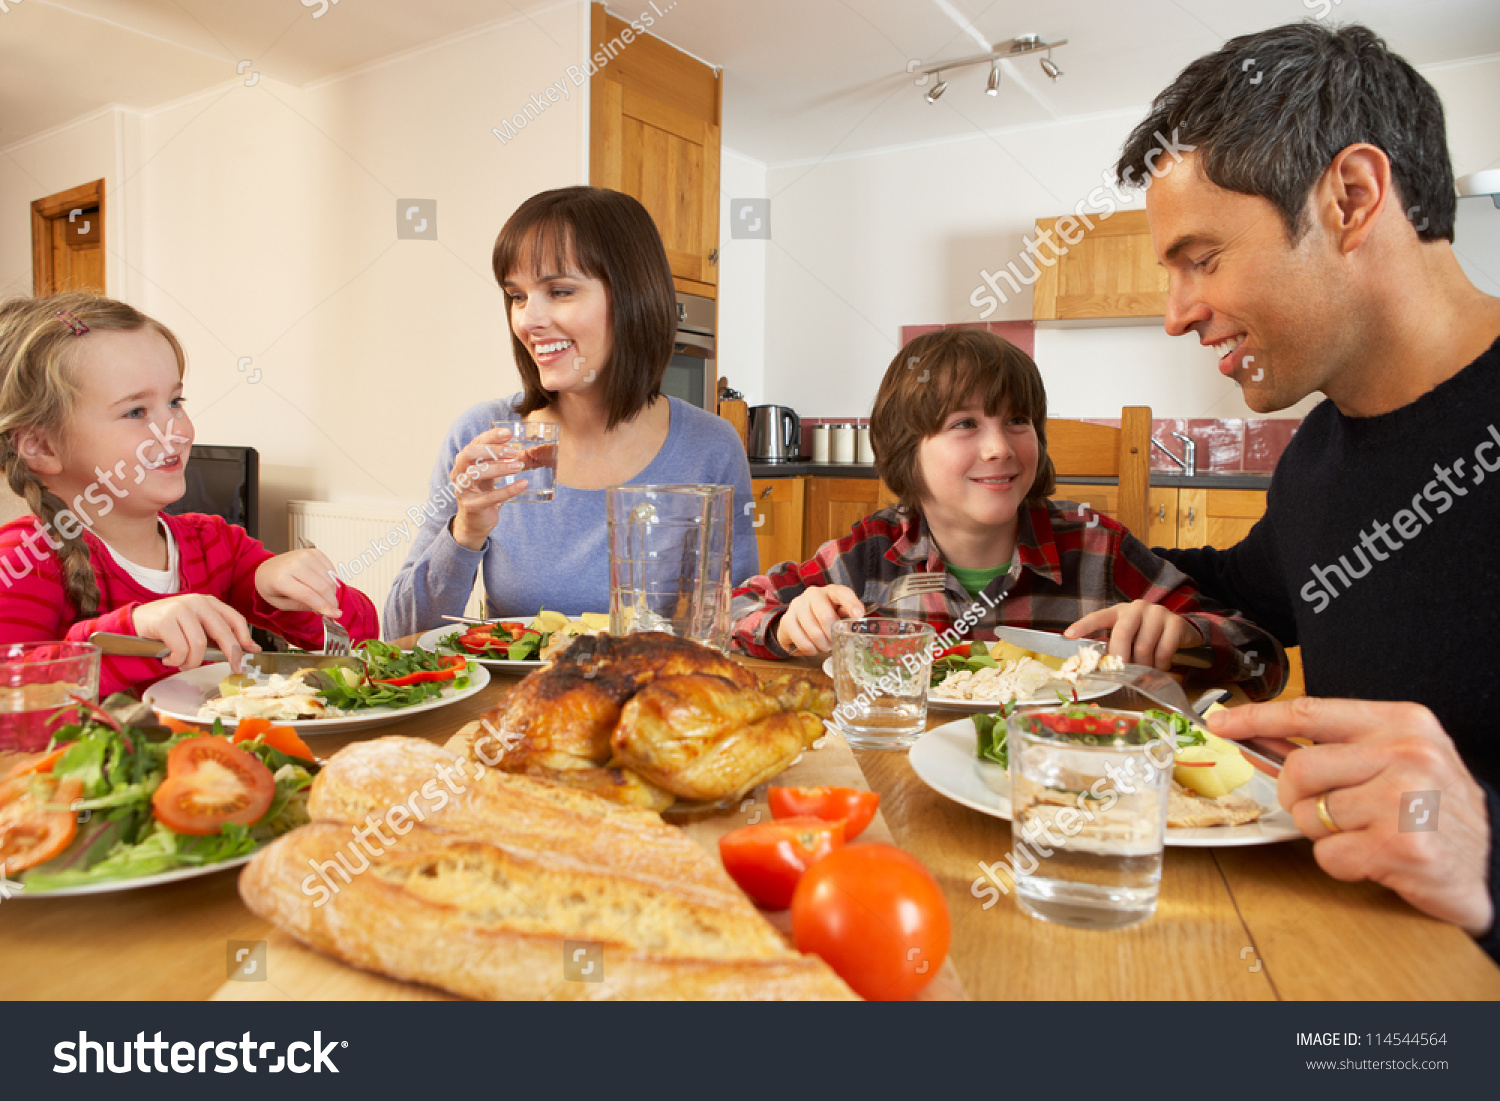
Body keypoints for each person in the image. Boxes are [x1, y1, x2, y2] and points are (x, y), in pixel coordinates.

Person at [1099, 22, 1500, 956]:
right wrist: (1002, 548)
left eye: (1202, 259)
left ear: (1351, 198)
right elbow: (1242, 589)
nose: (1176, 315)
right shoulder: (1319, 455)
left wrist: (1483, 850)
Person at [732, 327, 1287, 700]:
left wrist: (1185, 634)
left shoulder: (1097, 549)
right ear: (907, 450)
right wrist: (786, 625)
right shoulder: (871, 553)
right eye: (964, 424)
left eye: (1017, 421)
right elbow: (733, 610)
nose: (999, 447)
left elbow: (1260, 658)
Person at [384, 187, 756, 634]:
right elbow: (400, 632)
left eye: (559, 291)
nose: (527, 320)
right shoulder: (482, 437)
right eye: (516, 296)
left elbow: (740, 619)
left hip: (652, 700)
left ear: (633, 297)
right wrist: (466, 531)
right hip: (524, 703)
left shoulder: (710, 447)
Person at [0, 292, 378, 699]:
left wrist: (295, 592)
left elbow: (365, 638)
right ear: (41, 447)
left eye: (175, 402)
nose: (177, 431)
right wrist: (129, 635)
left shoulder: (217, 544)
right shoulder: (23, 560)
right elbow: (11, 695)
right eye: (135, 412)